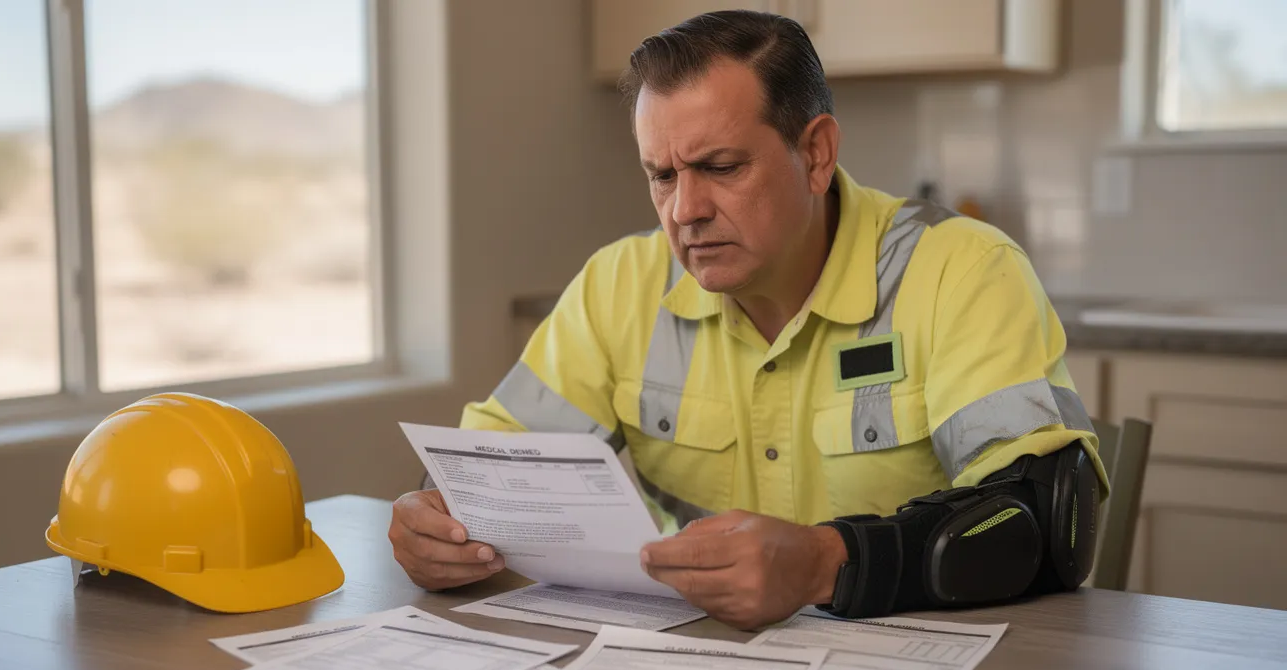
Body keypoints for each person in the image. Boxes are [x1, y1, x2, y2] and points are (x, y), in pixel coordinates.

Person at [387, 10, 1108, 630]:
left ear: (816, 152)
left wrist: (828, 562)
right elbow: (489, 471)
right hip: (699, 668)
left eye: (722, 166)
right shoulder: (618, 287)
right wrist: (438, 521)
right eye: (662, 176)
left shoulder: (961, 271)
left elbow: (1037, 522)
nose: (685, 211)